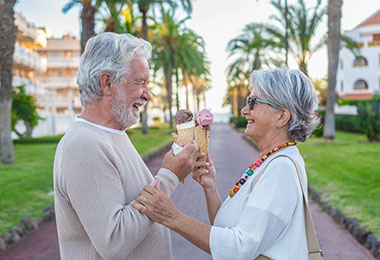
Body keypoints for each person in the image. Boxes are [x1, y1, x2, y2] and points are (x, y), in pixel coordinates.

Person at [133, 66, 321, 259]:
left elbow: (238, 248)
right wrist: (210, 186)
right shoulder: (272, 161)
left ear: (282, 116)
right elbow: (227, 231)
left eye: (253, 102)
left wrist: (171, 216)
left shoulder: (281, 169)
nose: (244, 110)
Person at [53, 32, 198, 260]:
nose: (148, 94)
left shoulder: (112, 135)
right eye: (139, 82)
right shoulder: (84, 144)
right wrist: (169, 175)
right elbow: (114, 241)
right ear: (107, 83)